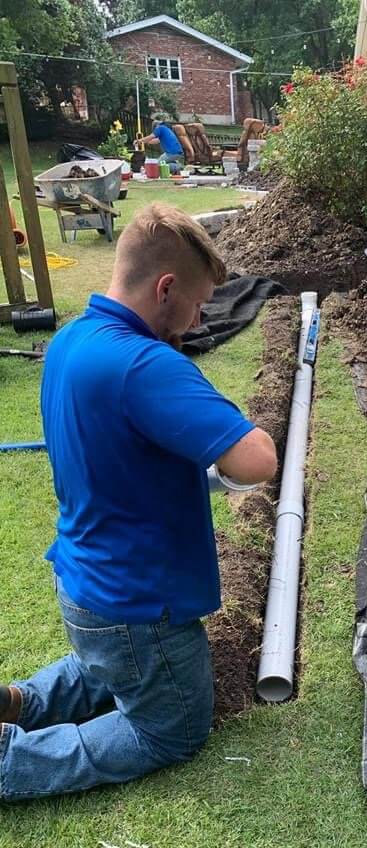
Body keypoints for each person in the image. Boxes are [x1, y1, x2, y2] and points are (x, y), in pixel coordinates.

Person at [0, 203, 277, 801]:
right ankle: (9, 760)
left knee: (108, 666)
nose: (199, 318)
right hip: (136, 603)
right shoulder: (144, 364)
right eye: (199, 303)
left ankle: (19, 703)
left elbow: (123, 451)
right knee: (168, 728)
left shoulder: (70, 340)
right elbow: (256, 458)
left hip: (86, 586)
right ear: (165, 287)